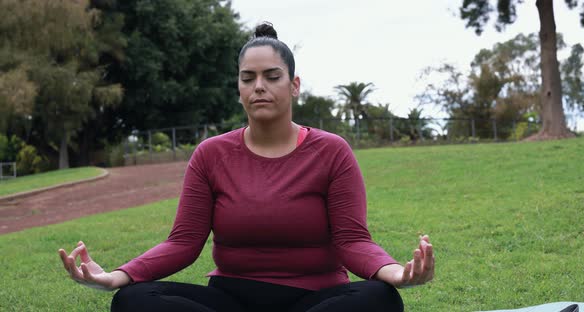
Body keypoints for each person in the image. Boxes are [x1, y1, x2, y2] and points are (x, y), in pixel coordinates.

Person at [58, 22, 435, 312]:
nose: (259, 87)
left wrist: (397, 274)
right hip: (230, 299)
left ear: (295, 85)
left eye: (272, 77)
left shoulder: (332, 151)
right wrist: (115, 277)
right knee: (134, 300)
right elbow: (183, 243)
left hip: (319, 299)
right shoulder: (210, 154)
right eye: (248, 78)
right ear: (238, 87)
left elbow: (353, 242)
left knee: (378, 299)